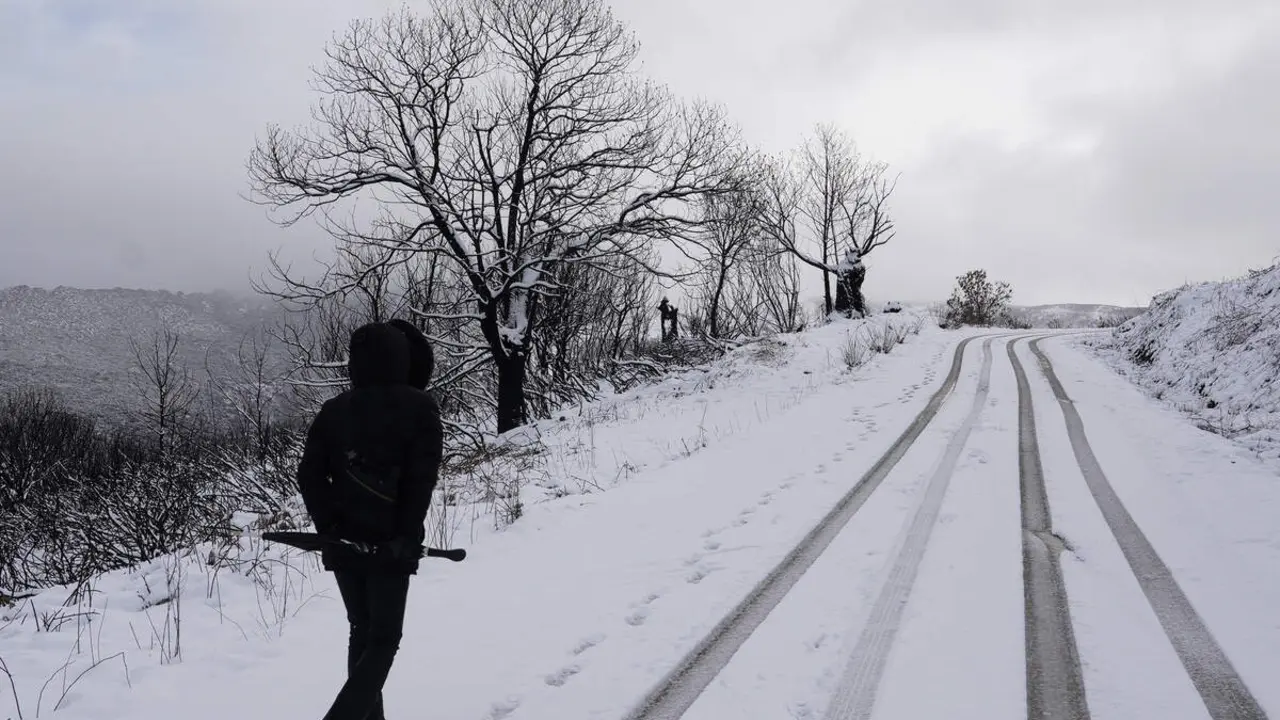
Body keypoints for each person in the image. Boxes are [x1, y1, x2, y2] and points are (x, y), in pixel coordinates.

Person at [296, 321, 443, 720]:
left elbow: (309, 475)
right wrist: (405, 536)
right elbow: (419, 482)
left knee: (361, 631)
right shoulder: (420, 407)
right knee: (383, 640)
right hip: (390, 544)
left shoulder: (334, 409)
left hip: (343, 541)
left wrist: (329, 528)